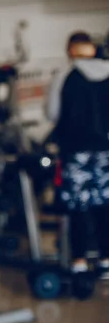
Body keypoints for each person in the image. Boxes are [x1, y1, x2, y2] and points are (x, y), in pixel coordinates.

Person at [46, 31, 109, 274]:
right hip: (106, 149)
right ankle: (106, 260)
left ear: (71, 48)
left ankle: (80, 261)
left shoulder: (65, 74)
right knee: (105, 203)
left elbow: (52, 113)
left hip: (75, 150)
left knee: (78, 204)